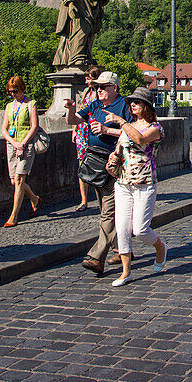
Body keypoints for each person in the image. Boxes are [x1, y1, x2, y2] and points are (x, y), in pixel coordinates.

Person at [66, 71, 132, 277]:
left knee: (108, 212)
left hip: (115, 162)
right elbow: (73, 121)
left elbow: (133, 132)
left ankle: (97, 257)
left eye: (102, 87)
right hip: (95, 161)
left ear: (114, 87)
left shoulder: (124, 106)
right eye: (96, 87)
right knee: (104, 208)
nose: (99, 90)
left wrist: (106, 130)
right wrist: (71, 109)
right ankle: (121, 250)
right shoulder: (95, 104)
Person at [106, 87, 167, 287]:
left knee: (140, 229)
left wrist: (121, 122)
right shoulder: (128, 126)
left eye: (137, 102)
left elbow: (140, 139)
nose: (132, 104)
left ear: (147, 106)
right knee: (122, 228)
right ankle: (126, 272)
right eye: (131, 102)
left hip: (145, 182)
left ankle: (160, 247)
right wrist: (113, 157)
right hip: (123, 182)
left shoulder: (156, 128)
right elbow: (120, 147)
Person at [1, 76, 41, 227]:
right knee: (14, 180)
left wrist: (22, 144)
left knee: (19, 179)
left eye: (15, 91)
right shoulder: (9, 106)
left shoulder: (31, 104)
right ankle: (35, 199)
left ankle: (14, 216)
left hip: (27, 145)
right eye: (10, 91)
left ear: (22, 88)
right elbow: (4, 129)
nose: (12, 94)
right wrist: (14, 143)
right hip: (12, 144)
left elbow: (34, 126)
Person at [73, 67, 103, 211]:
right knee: (81, 164)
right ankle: (84, 200)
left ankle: (102, 197)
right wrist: (74, 129)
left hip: (95, 129)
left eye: (88, 78)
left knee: (98, 163)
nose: (86, 81)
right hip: (82, 130)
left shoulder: (100, 93)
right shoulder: (86, 92)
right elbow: (80, 110)